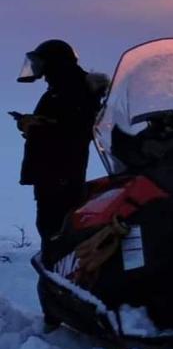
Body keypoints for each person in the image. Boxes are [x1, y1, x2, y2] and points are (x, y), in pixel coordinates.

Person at [15, 40, 108, 250]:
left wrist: (35, 127)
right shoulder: (64, 89)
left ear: (55, 63)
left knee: (56, 230)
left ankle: (57, 275)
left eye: (42, 62)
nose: (38, 68)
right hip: (54, 173)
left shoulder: (72, 90)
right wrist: (34, 124)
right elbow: (60, 125)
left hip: (60, 174)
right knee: (52, 227)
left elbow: (75, 131)